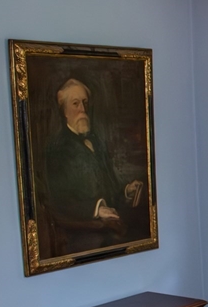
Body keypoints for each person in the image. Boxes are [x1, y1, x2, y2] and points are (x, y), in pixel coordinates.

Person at [43, 78, 145, 256]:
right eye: (75, 104)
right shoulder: (57, 149)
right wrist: (97, 209)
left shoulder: (97, 142)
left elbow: (110, 188)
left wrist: (126, 191)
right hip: (83, 230)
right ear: (64, 111)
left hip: (110, 223)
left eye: (84, 103)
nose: (82, 109)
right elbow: (60, 202)